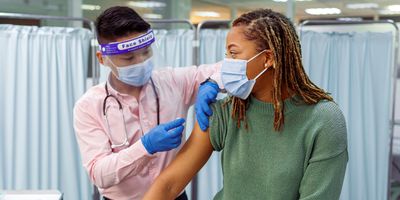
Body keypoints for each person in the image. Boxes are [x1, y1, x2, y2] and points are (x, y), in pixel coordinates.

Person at [143, 9, 348, 200]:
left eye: (234, 54)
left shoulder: (324, 120)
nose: (226, 64)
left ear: (268, 58)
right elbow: (169, 184)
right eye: (227, 55)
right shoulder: (226, 111)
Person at [73, 6, 221, 200]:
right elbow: (99, 173)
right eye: (128, 58)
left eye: (146, 52)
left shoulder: (173, 82)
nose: (141, 61)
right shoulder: (89, 106)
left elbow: (228, 69)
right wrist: (146, 147)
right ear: (103, 59)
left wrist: (212, 82)